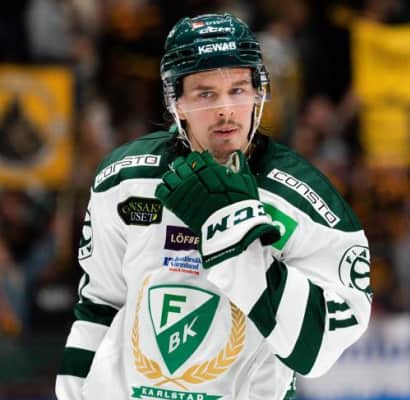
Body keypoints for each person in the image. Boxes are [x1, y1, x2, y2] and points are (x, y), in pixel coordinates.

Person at [56, 13, 372, 400]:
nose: (225, 110)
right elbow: (99, 304)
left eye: (238, 90)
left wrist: (235, 244)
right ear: (176, 102)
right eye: (206, 94)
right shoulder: (124, 179)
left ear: (258, 93)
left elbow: (318, 350)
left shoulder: (304, 201)